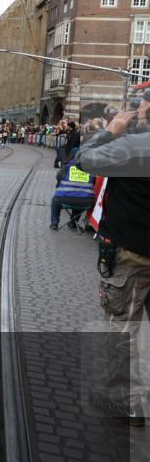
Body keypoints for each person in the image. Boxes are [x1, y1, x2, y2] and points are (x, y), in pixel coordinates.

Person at [77, 95, 150, 426]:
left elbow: (85, 160)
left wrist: (111, 130)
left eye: (142, 107)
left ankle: (125, 400)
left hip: (132, 253)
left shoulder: (136, 146)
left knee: (123, 329)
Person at [48, 147, 95, 230]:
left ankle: (54, 223)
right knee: (79, 198)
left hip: (64, 199)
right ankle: (73, 223)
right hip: (87, 202)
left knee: (55, 201)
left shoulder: (66, 167)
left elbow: (58, 177)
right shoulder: (90, 168)